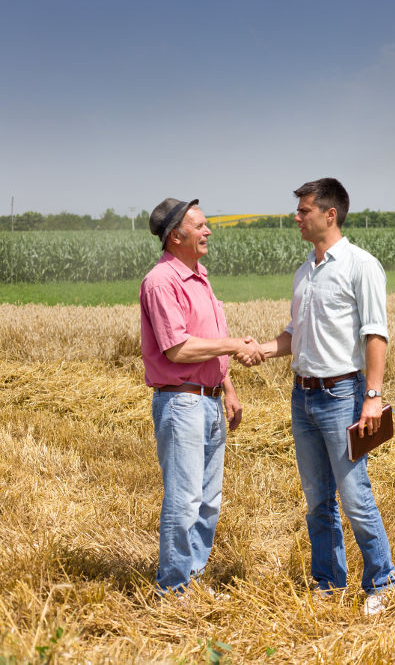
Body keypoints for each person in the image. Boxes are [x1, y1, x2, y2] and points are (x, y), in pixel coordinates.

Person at [258, 178, 395, 615]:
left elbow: (375, 334)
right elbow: (293, 334)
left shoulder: (361, 266)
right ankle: (329, 583)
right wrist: (264, 349)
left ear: (329, 214)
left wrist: (372, 398)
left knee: (354, 495)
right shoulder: (304, 272)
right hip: (302, 397)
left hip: (342, 395)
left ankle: (382, 582)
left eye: (304, 211)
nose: (296, 218)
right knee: (317, 498)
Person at [140, 197, 264, 594]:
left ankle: (190, 576)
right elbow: (178, 349)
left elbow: (206, 340)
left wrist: (227, 387)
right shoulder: (162, 282)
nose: (208, 231)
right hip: (182, 403)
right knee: (185, 500)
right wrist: (232, 344)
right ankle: (173, 588)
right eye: (201, 226)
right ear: (177, 235)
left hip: (208, 399)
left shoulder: (199, 276)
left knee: (208, 501)